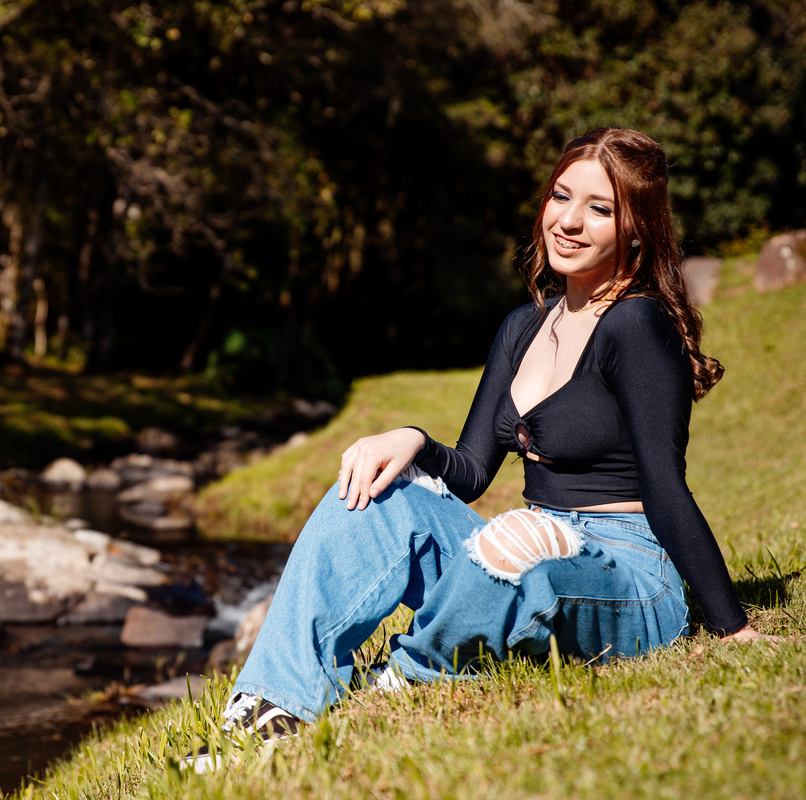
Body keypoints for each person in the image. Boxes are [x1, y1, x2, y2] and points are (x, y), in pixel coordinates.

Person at [184, 127, 779, 772]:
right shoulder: (524, 326)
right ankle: (270, 707)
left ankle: (408, 675)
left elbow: (664, 486)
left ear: (637, 229)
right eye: (561, 197)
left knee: (515, 545)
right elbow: (469, 473)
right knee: (370, 493)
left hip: (628, 573)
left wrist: (732, 627)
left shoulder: (637, 324)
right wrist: (412, 441)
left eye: (600, 209)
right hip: (529, 541)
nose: (569, 221)